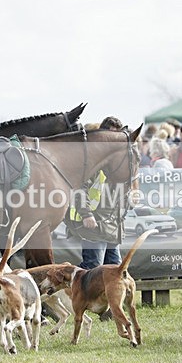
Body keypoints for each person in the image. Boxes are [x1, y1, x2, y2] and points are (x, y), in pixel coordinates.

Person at [68, 116, 126, 270]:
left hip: (111, 225)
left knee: (114, 271)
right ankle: (76, 292)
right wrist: (86, 214)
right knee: (93, 268)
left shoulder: (118, 161)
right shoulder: (92, 161)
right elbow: (79, 189)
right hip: (95, 226)